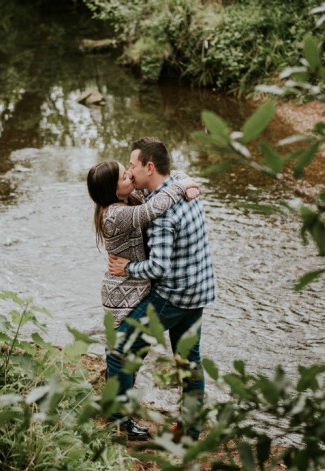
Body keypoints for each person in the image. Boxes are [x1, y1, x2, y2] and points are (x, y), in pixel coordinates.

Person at [106, 137, 215, 442]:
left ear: (149, 166)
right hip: (200, 291)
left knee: (118, 349)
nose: (129, 170)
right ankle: (191, 430)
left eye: (132, 165)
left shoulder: (162, 215)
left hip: (173, 296)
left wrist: (124, 268)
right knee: (189, 360)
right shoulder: (179, 179)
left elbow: (159, 268)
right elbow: (184, 181)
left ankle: (116, 424)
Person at [86, 159, 199, 440]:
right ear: (113, 190)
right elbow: (155, 208)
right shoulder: (115, 214)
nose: (130, 174)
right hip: (122, 294)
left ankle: (122, 415)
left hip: (136, 289)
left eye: (129, 169)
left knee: (132, 355)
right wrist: (186, 186)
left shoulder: (128, 199)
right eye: (125, 175)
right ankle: (117, 420)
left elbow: (161, 180)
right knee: (120, 353)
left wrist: (185, 180)